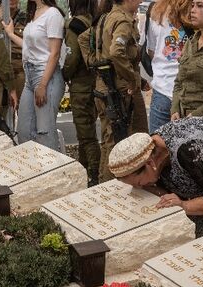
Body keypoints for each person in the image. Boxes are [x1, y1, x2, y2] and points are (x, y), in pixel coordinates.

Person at [78, 0, 148, 183]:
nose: (140, 1)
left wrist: (96, 62)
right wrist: (133, 79)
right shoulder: (122, 20)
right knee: (123, 142)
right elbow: (117, 52)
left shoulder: (104, 18)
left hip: (105, 86)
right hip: (120, 89)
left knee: (110, 140)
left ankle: (103, 184)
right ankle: (110, 188)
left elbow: (84, 38)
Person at [10, 0, 65, 150]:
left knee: (45, 132)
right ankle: (34, 169)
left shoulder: (53, 14)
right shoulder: (33, 13)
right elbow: (29, 46)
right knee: (24, 131)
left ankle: (53, 170)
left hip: (46, 75)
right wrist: (10, 34)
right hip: (30, 75)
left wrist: (43, 84)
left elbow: (54, 53)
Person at [63, 0, 100, 185]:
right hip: (95, 82)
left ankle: (94, 172)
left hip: (81, 83)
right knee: (88, 128)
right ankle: (84, 167)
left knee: (85, 132)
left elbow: (72, 56)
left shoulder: (75, 25)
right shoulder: (95, 20)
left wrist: (64, 74)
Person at [143, 0, 191, 132]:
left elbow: (151, 51)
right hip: (190, 92)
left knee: (158, 147)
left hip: (163, 87)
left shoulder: (157, 11)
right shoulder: (198, 9)